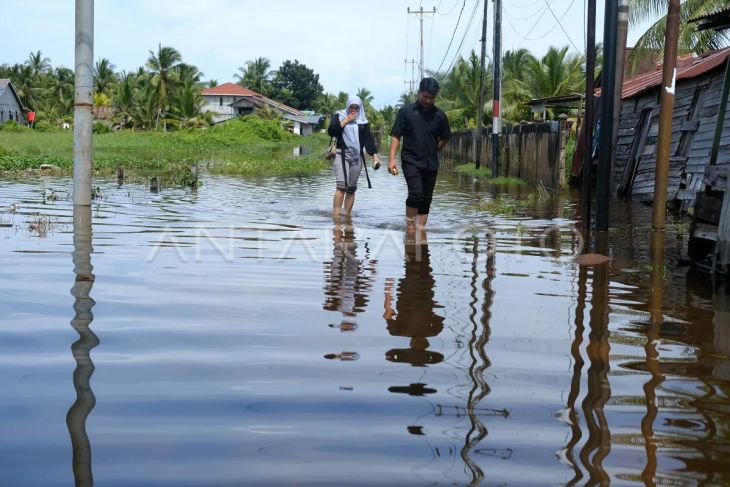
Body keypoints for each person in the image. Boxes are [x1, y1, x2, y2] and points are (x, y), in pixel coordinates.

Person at [388, 78, 451, 233]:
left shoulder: (440, 116)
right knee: (416, 194)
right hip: (411, 160)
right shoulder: (406, 112)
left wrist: (434, 149)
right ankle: (410, 227)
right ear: (419, 93)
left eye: (431, 98)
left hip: (431, 163)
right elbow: (396, 135)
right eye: (425, 97)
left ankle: (420, 230)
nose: (428, 100)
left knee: (426, 199)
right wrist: (391, 160)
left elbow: (445, 137)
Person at [328, 96, 381, 217]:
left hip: (357, 156)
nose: (353, 109)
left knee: (351, 189)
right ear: (347, 106)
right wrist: (346, 120)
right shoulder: (339, 116)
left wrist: (374, 155)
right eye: (351, 107)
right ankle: (336, 217)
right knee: (341, 186)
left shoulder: (363, 121)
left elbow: (368, 140)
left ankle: (346, 218)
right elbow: (331, 131)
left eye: (356, 107)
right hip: (341, 154)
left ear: (360, 108)